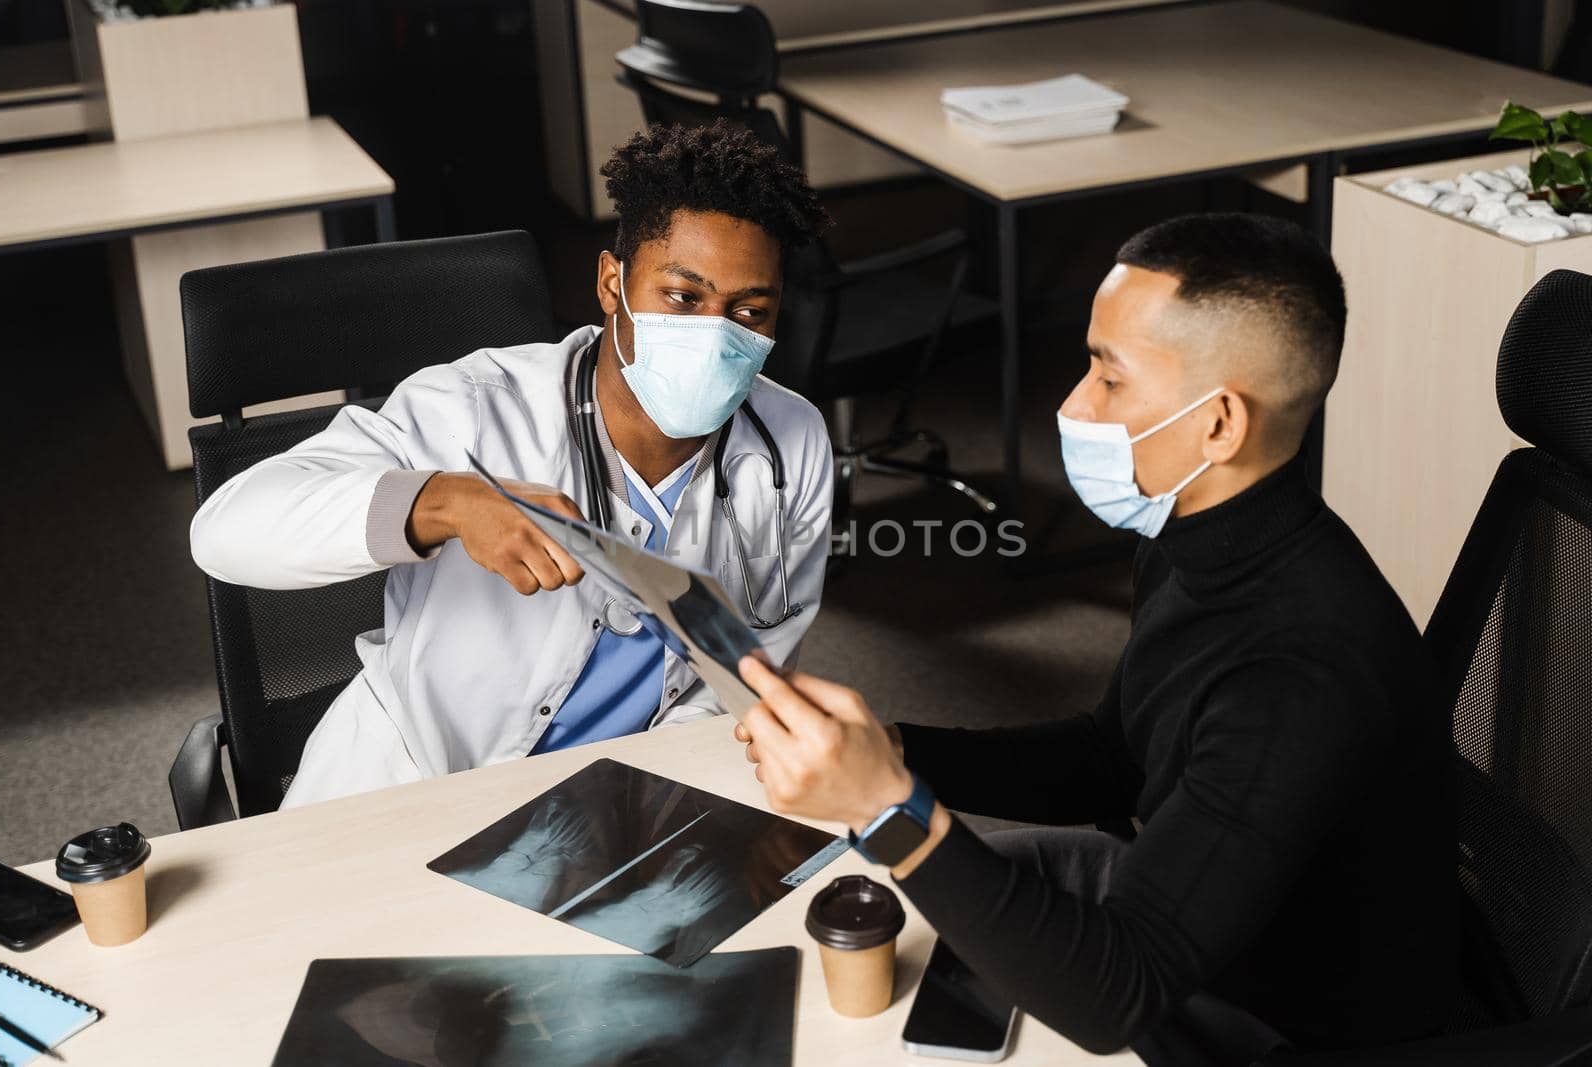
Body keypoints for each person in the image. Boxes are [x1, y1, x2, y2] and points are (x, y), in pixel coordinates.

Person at [735, 214, 1456, 1063]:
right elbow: (1116, 755)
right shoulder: (1196, 538)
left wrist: (884, 807)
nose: (1073, 404)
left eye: (1109, 377)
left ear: (1219, 424)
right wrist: (893, 751)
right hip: (1205, 927)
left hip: (1283, 1028)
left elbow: (1118, 994)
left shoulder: (1301, 671)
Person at [190, 120, 835, 807]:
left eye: (749, 311)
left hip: (626, 800)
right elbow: (224, 530)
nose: (715, 333)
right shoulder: (473, 410)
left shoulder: (790, 443)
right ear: (612, 283)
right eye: (682, 297)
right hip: (415, 790)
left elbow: (748, 670)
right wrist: (439, 502)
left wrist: (636, 794)